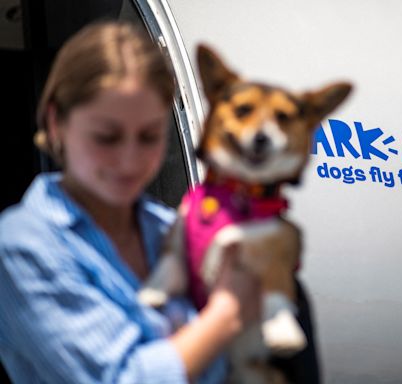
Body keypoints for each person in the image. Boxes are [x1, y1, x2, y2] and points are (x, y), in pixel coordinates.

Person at [0, 20, 320, 384]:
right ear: (56, 122)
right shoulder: (23, 246)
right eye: (107, 137)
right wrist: (227, 311)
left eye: (150, 137)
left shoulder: (166, 228)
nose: (129, 159)